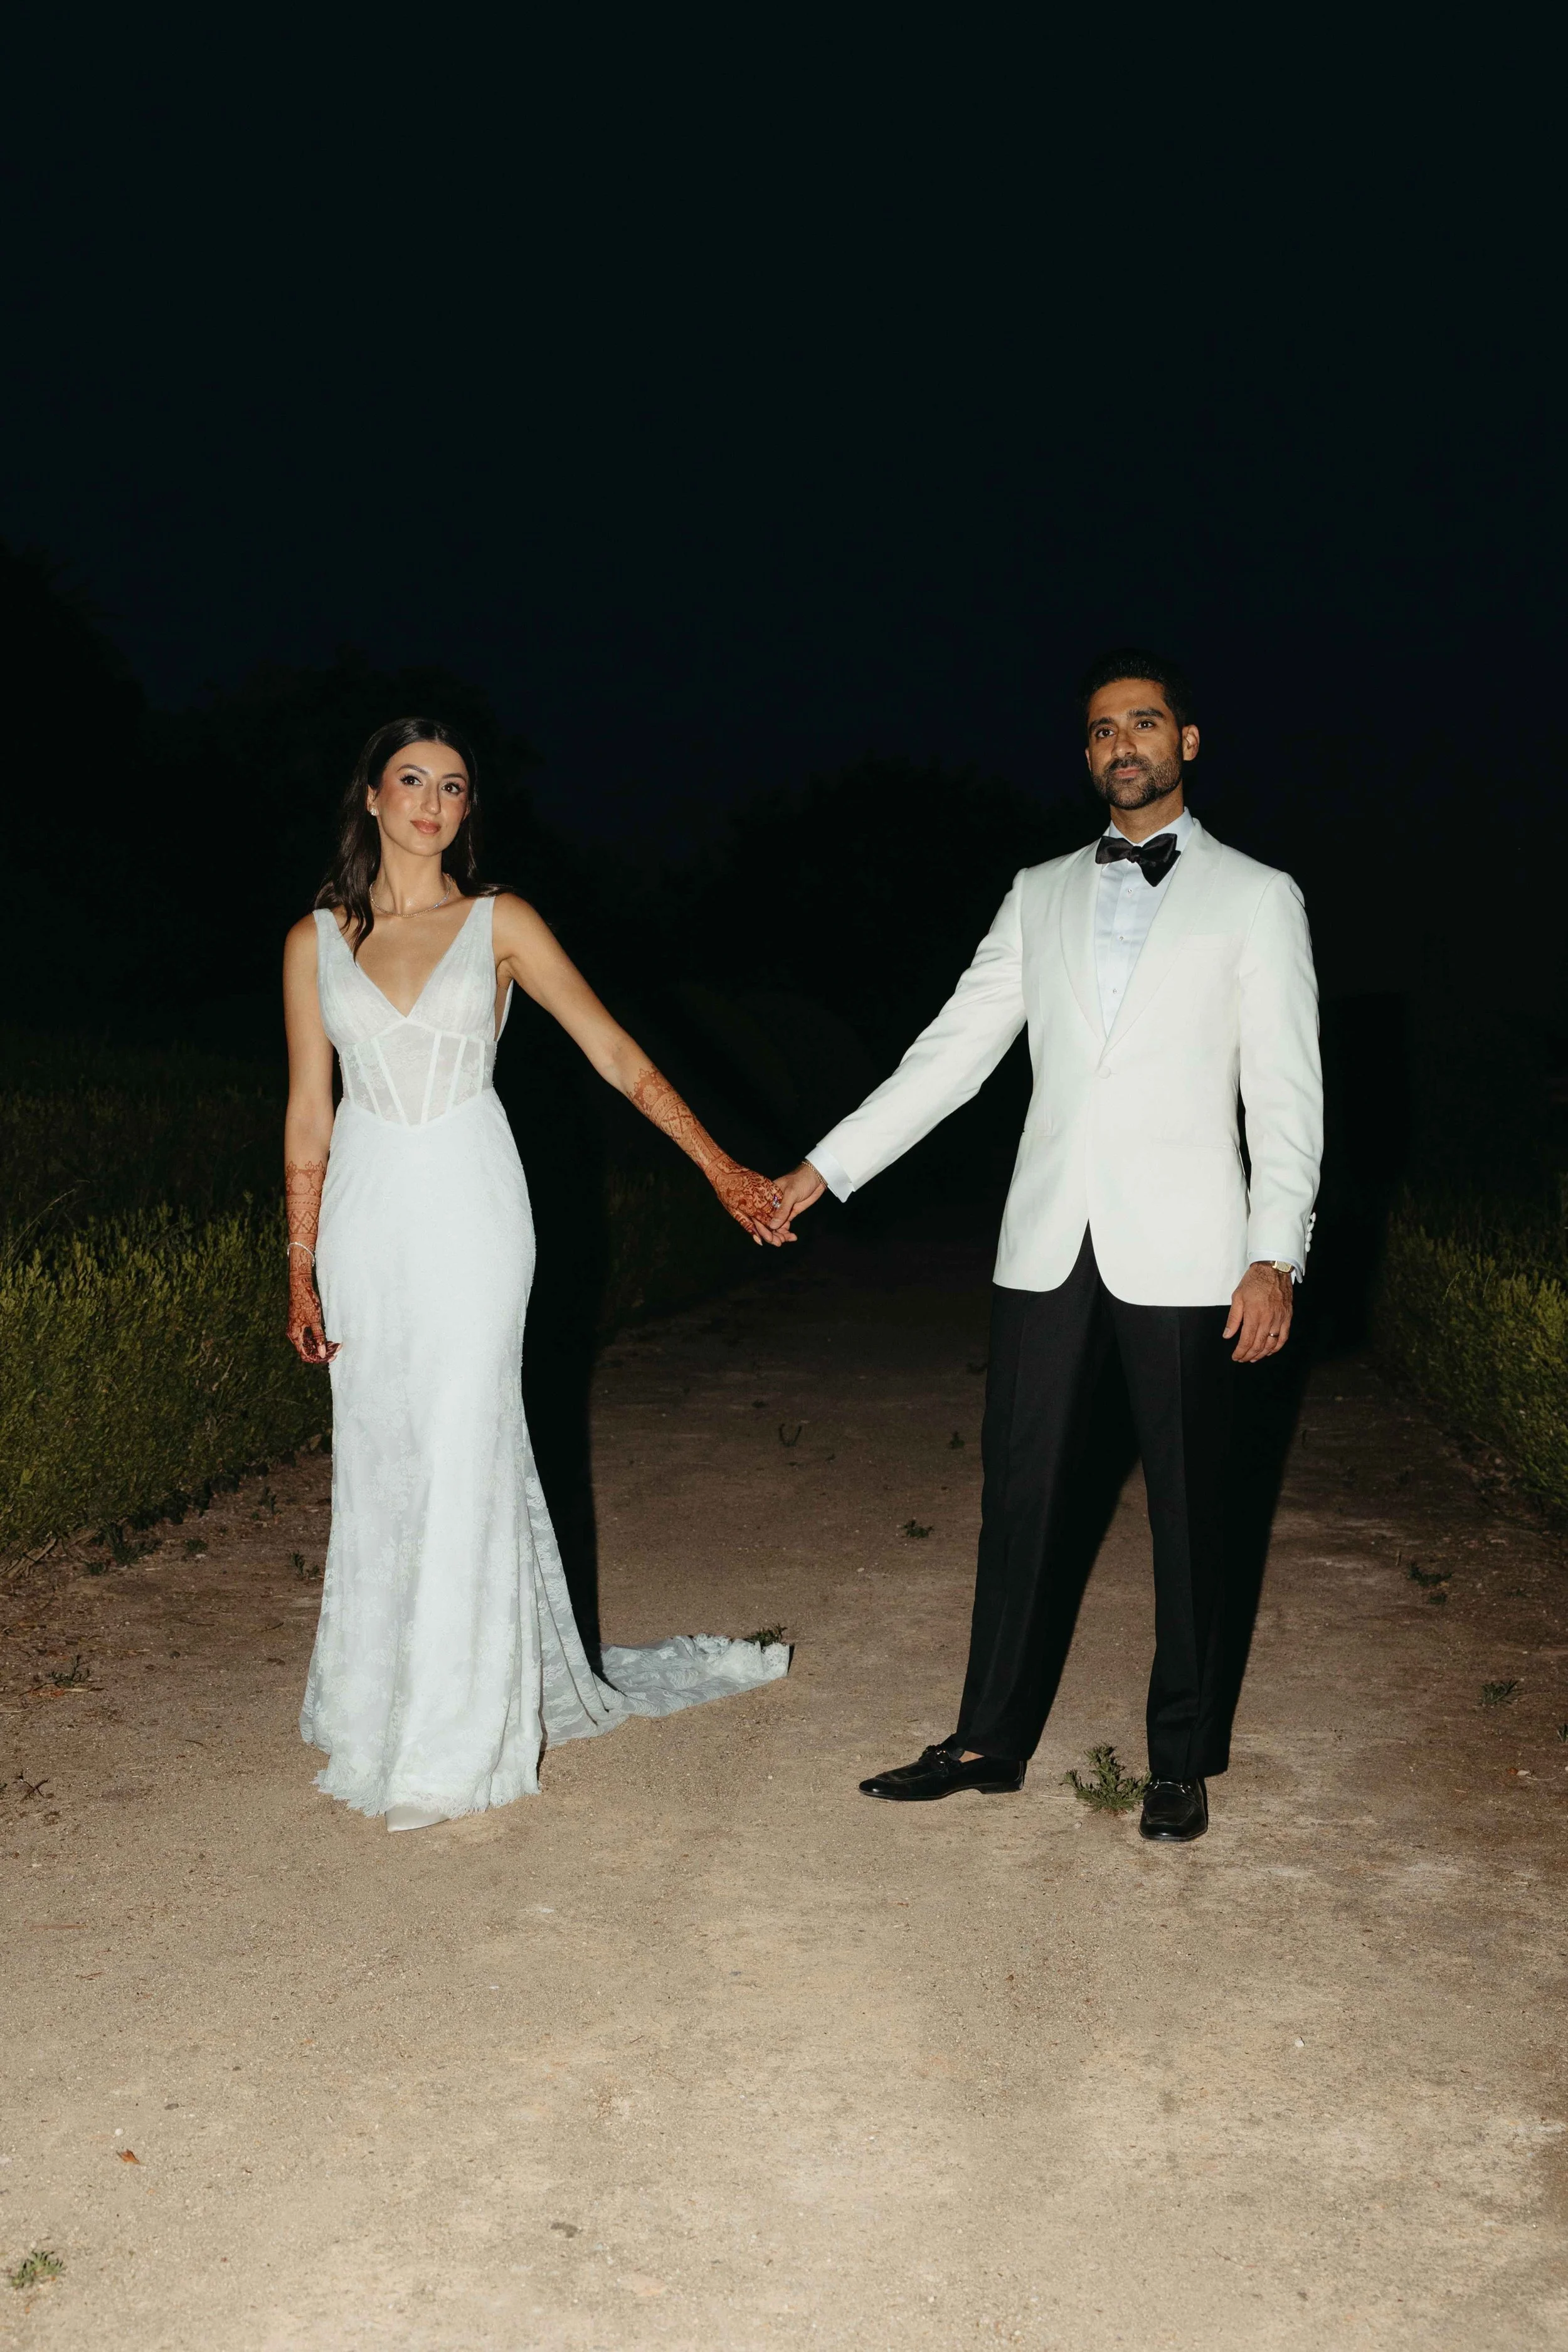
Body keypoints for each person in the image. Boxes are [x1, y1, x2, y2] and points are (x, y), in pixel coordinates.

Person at [768, 652, 1322, 1842]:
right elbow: (948, 1057)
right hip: (1046, 1245)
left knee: (1192, 1512)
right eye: (1104, 729)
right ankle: (987, 1739)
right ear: (1086, 755)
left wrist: (1275, 1252)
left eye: (1146, 722)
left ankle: (1180, 1758)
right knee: (1018, 1499)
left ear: (1187, 742)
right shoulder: (1038, 892)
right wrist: (823, 1170)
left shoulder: (1258, 896)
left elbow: (1286, 1093)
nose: (1125, 743)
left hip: (1192, 1251)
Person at [283, 716, 792, 1831]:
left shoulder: (500, 920)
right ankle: (378, 1706)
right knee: (381, 1445)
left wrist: (717, 1164)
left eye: (453, 786)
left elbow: (612, 1049)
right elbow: (309, 1114)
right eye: (412, 779)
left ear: (469, 808)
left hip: (473, 1202)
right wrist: (300, 1267)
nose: (432, 801)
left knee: (467, 1438)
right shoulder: (313, 941)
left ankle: (458, 1735)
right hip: (366, 1215)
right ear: (371, 796)